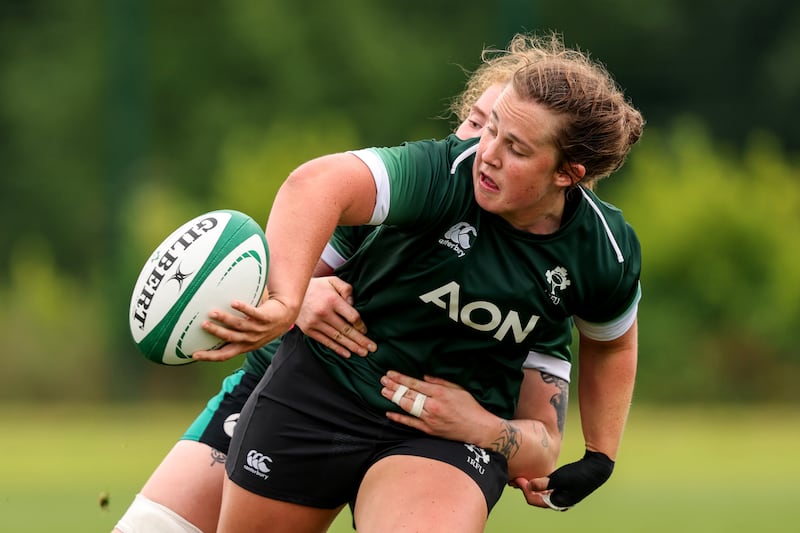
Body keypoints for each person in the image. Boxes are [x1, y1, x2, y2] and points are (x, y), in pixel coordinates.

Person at [113, 37, 570, 533]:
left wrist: (502, 440)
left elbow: (542, 440)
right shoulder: (412, 193)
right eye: (476, 123)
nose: (481, 146)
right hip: (288, 395)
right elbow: (283, 271)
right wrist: (299, 295)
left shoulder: (549, 269)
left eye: (510, 140)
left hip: (424, 436)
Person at [196, 31, 643, 533]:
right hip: (322, 393)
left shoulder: (604, 251)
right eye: (490, 128)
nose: (487, 154)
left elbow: (610, 344)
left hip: (444, 434)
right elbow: (316, 184)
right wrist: (286, 299)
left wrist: (601, 454)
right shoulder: (443, 172)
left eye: (515, 148)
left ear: (568, 174)